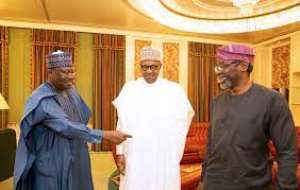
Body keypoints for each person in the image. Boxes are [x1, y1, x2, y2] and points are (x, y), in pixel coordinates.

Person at [13, 50, 131, 190]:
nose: (71, 77)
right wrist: (105, 135)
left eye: (72, 71)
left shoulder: (70, 90)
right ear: (50, 72)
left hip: (76, 153)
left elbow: (83, 115)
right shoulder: (42, 99)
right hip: (52, 161)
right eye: (64, 72)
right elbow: (66, 127)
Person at [201, 44, 298, 190]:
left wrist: (285, 187)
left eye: (223, 66)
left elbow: (287, 152)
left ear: (243, 66)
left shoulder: (272, 100)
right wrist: (203, 180)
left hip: (253, 185)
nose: (218, 72)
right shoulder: (216, 102)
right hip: (213, 184)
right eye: (217, 67)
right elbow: (211, 146)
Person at [113, 47, 194, 190]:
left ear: (160, 66)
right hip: (136, 151)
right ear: (140, 67)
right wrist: (120, 152)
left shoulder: (173, 90)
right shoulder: (130, 89)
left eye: (153, 67)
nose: (149, 71)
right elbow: (121, 122)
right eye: (145, 67)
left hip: (163, 153)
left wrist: (172, 143)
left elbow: (185, 117)